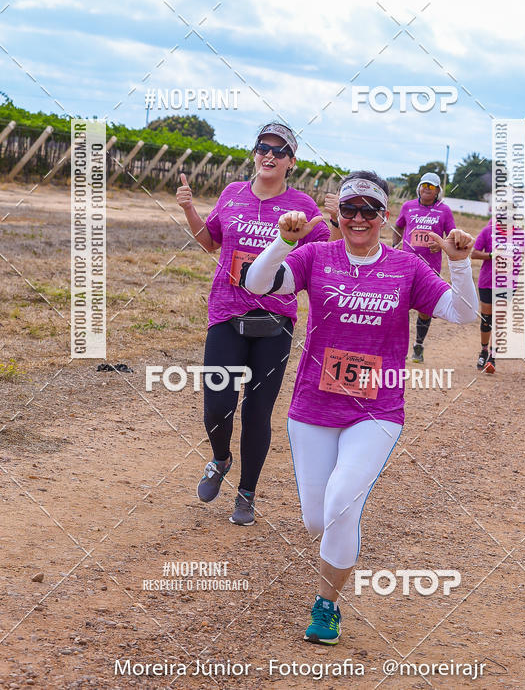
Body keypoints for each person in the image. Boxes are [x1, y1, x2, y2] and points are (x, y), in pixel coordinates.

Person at [244, 171, 477, 644]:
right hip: (312, 405)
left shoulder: (406, 267)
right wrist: (282, 242)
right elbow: (258, 282)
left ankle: (326, 606)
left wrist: (459, 264)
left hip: (377, 409)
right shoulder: (316, 256)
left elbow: (464, 313)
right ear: (337, 213)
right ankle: (338, 538)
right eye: (349, 208)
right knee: (315, 518)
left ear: (383, 216)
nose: (358, 218)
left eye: (369, 210)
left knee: (341, 501)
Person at [176, 122, 331, 526]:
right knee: (217, 407)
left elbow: (323, 258)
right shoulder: (232, 194)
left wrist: (332, 220)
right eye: (263, 147)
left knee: (258, 412)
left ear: (291, 162)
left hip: (274, 321)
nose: (269, 155)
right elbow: (210, 242)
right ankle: (220, 459)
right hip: (226, 313)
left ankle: (246, 493)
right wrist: (189, 209)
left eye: (279, 151)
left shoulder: (303, 206)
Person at [392, 172, 456, 363]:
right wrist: (396, 247)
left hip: (430, 267)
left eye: (432, 187)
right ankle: (396, 347)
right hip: (405, 265)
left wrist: (442, 243)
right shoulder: (408, 206)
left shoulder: (444, 210)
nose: (427, 189)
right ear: (418, 187)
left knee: (424, 309)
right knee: (398, 305)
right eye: (424, 185)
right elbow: (398, 227)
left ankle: (418, 345)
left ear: (438, 191)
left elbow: (452, 235)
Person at [472, 219, 525, 373]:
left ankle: (492, 358)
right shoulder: (488, 231)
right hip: (487, 282)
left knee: (499, 320)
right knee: (487, 320)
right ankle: (484, 351)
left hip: (508, 284)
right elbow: (474, 253)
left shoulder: (521, 234)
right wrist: (493, 254)